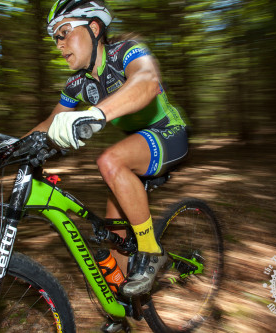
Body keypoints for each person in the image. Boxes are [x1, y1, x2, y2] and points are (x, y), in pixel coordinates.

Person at [30, 0, 188, 299]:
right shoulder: (77, 83)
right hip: (136, 143)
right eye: (55, 38)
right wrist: (7, 148)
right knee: (115, 241)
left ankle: (151, 251)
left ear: (93, 27)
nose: (59, 44)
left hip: (168, 132)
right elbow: (50, 121)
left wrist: (96, 113)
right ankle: (125, 308)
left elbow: (147, 80)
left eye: (64, 32)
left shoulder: (125, 52)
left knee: (110, 160)